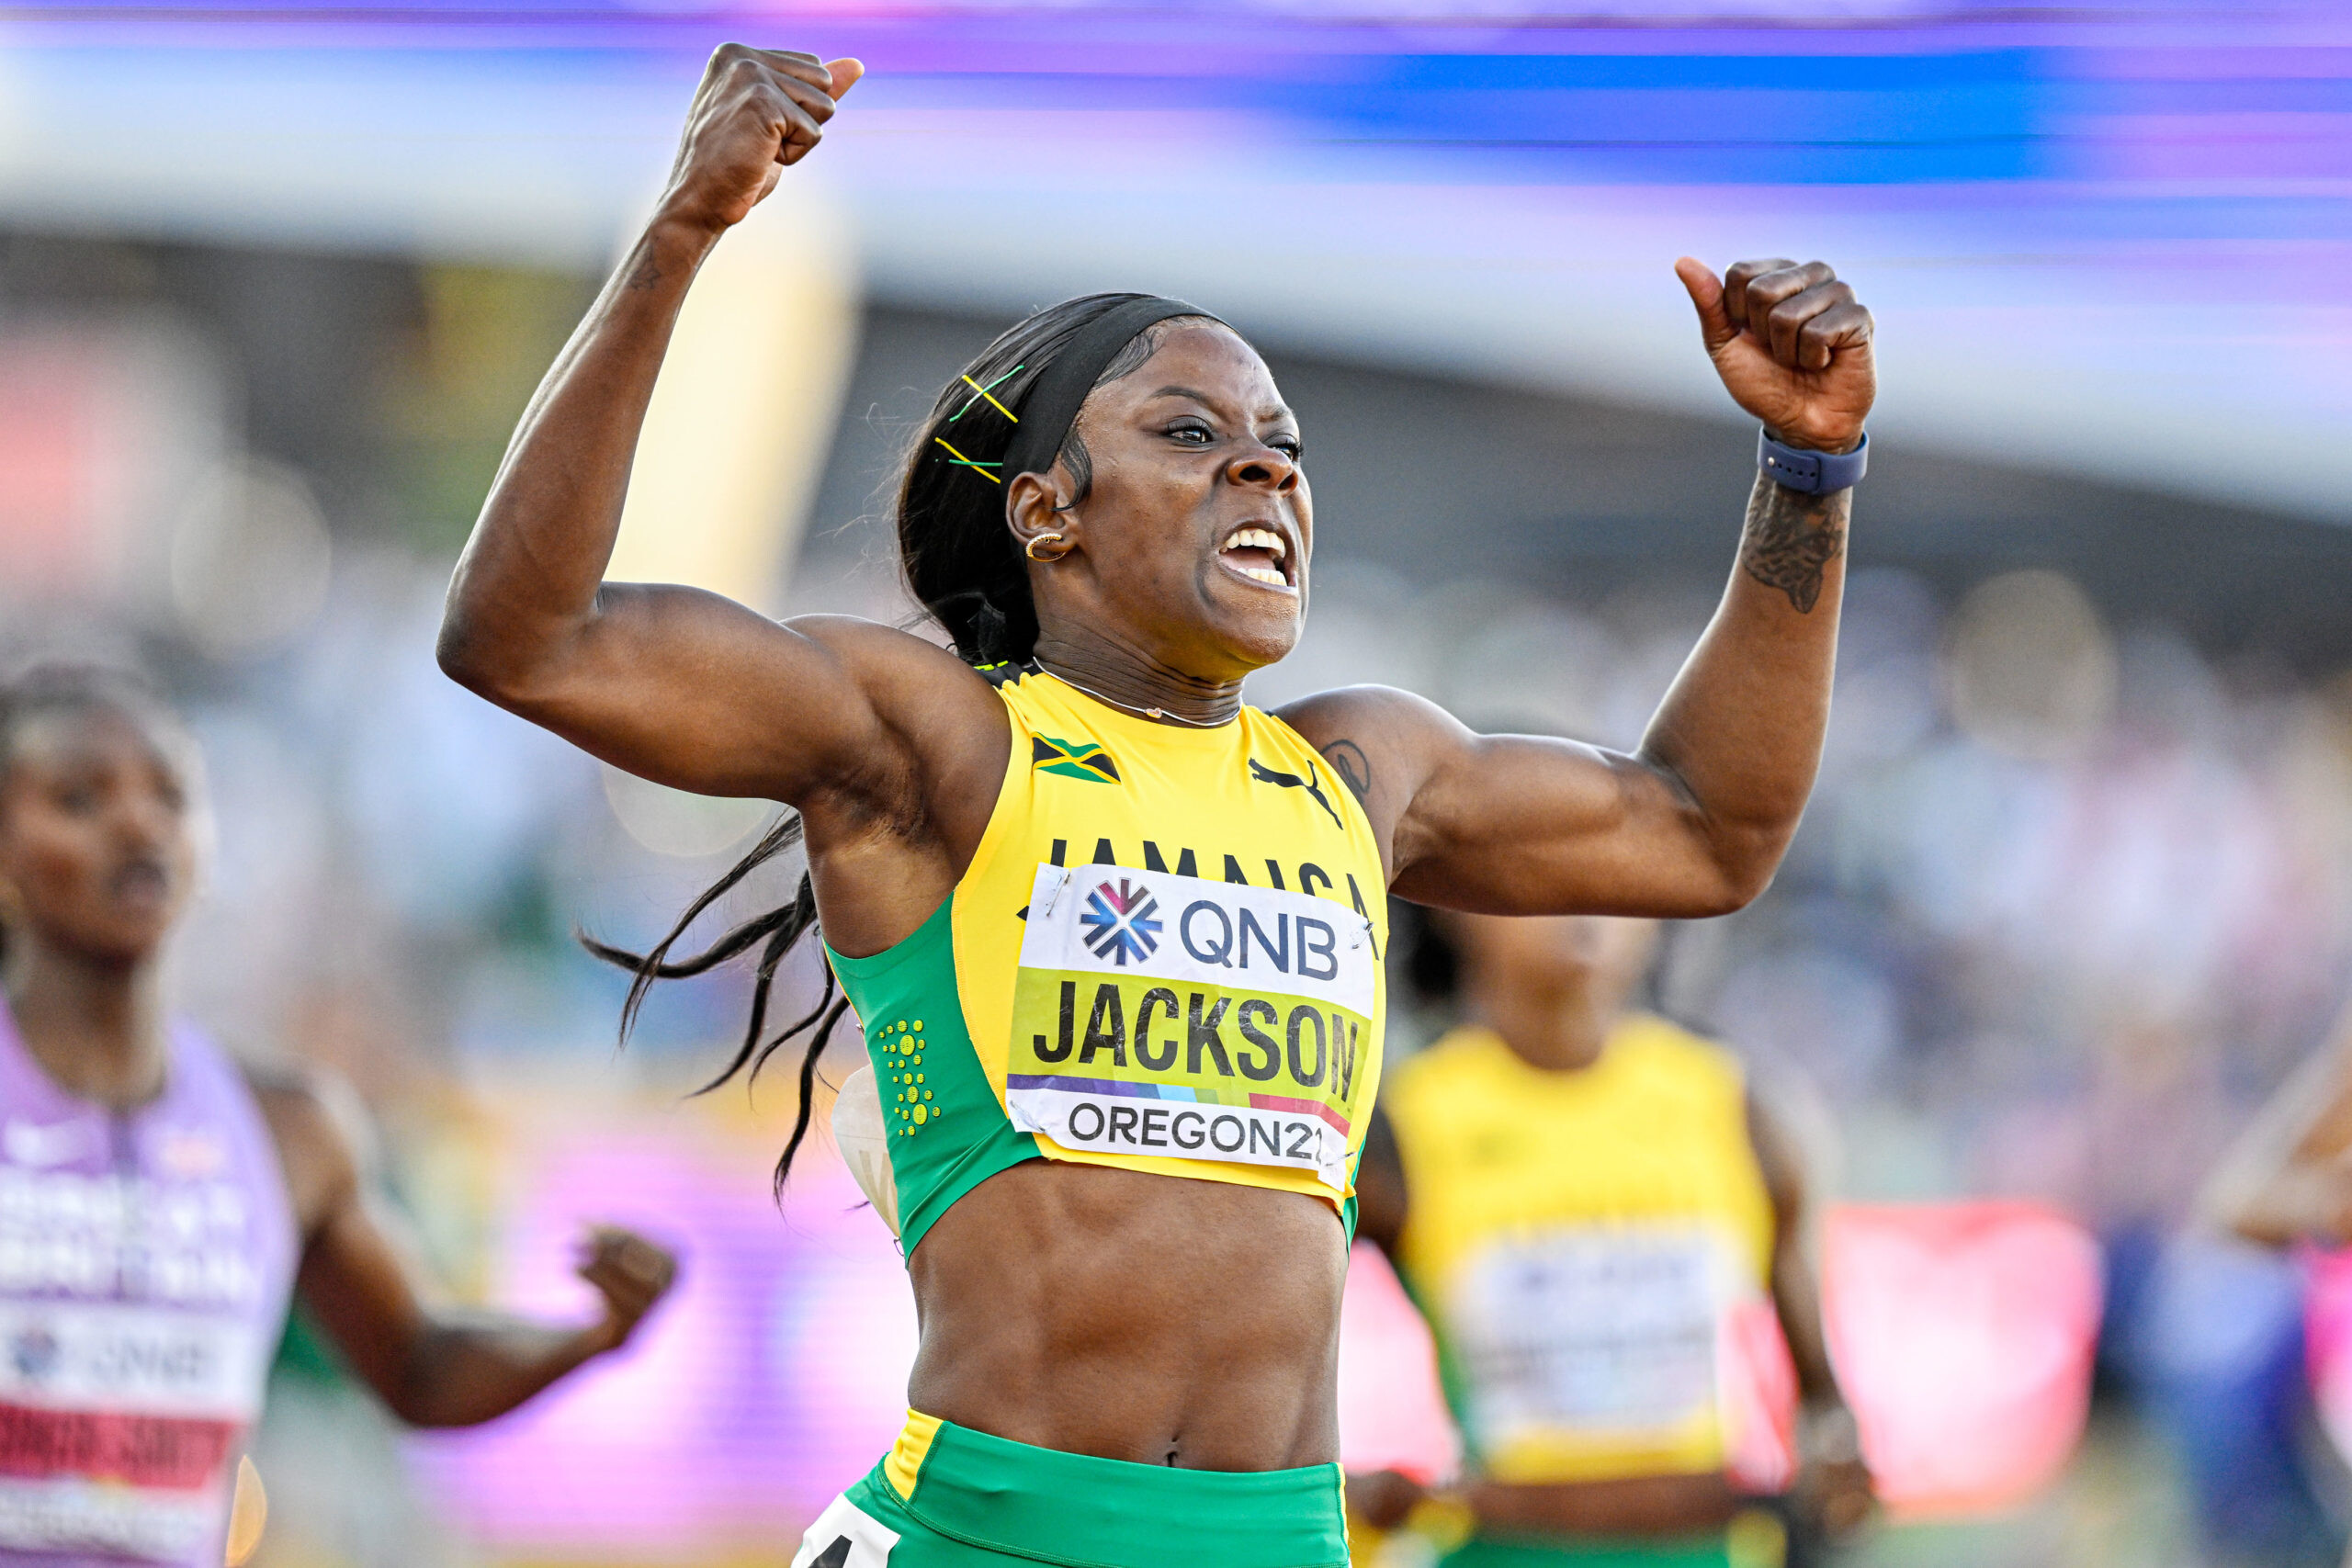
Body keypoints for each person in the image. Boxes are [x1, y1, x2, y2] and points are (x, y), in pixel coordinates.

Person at [433, 41, 1874, 1568]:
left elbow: (1709, 827)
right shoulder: (941, 745)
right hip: (988, 1536)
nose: (1265, 469)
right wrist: (682, 232)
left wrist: (1810, 465)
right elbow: (529, 637)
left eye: (1284, 450)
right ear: (1044, 510)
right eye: (1192, 433)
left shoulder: (1360, 774)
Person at [0, 664, 678, 1567]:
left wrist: (594, 1336)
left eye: (170, 796)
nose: (138, 824)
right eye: (79, 799)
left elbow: (420, 1366)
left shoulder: (286, 1130)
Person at [1349, 912, 1871, 1568]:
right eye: (1543, 874)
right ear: (1451, 901)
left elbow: (1828, 1419)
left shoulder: (1738, 1109)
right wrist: (1353, 1490)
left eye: (1616, 876)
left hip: (1710, 1554)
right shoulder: (1400, 1125)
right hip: (1499, 1553)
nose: (1583, 908)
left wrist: (1832, 1478)